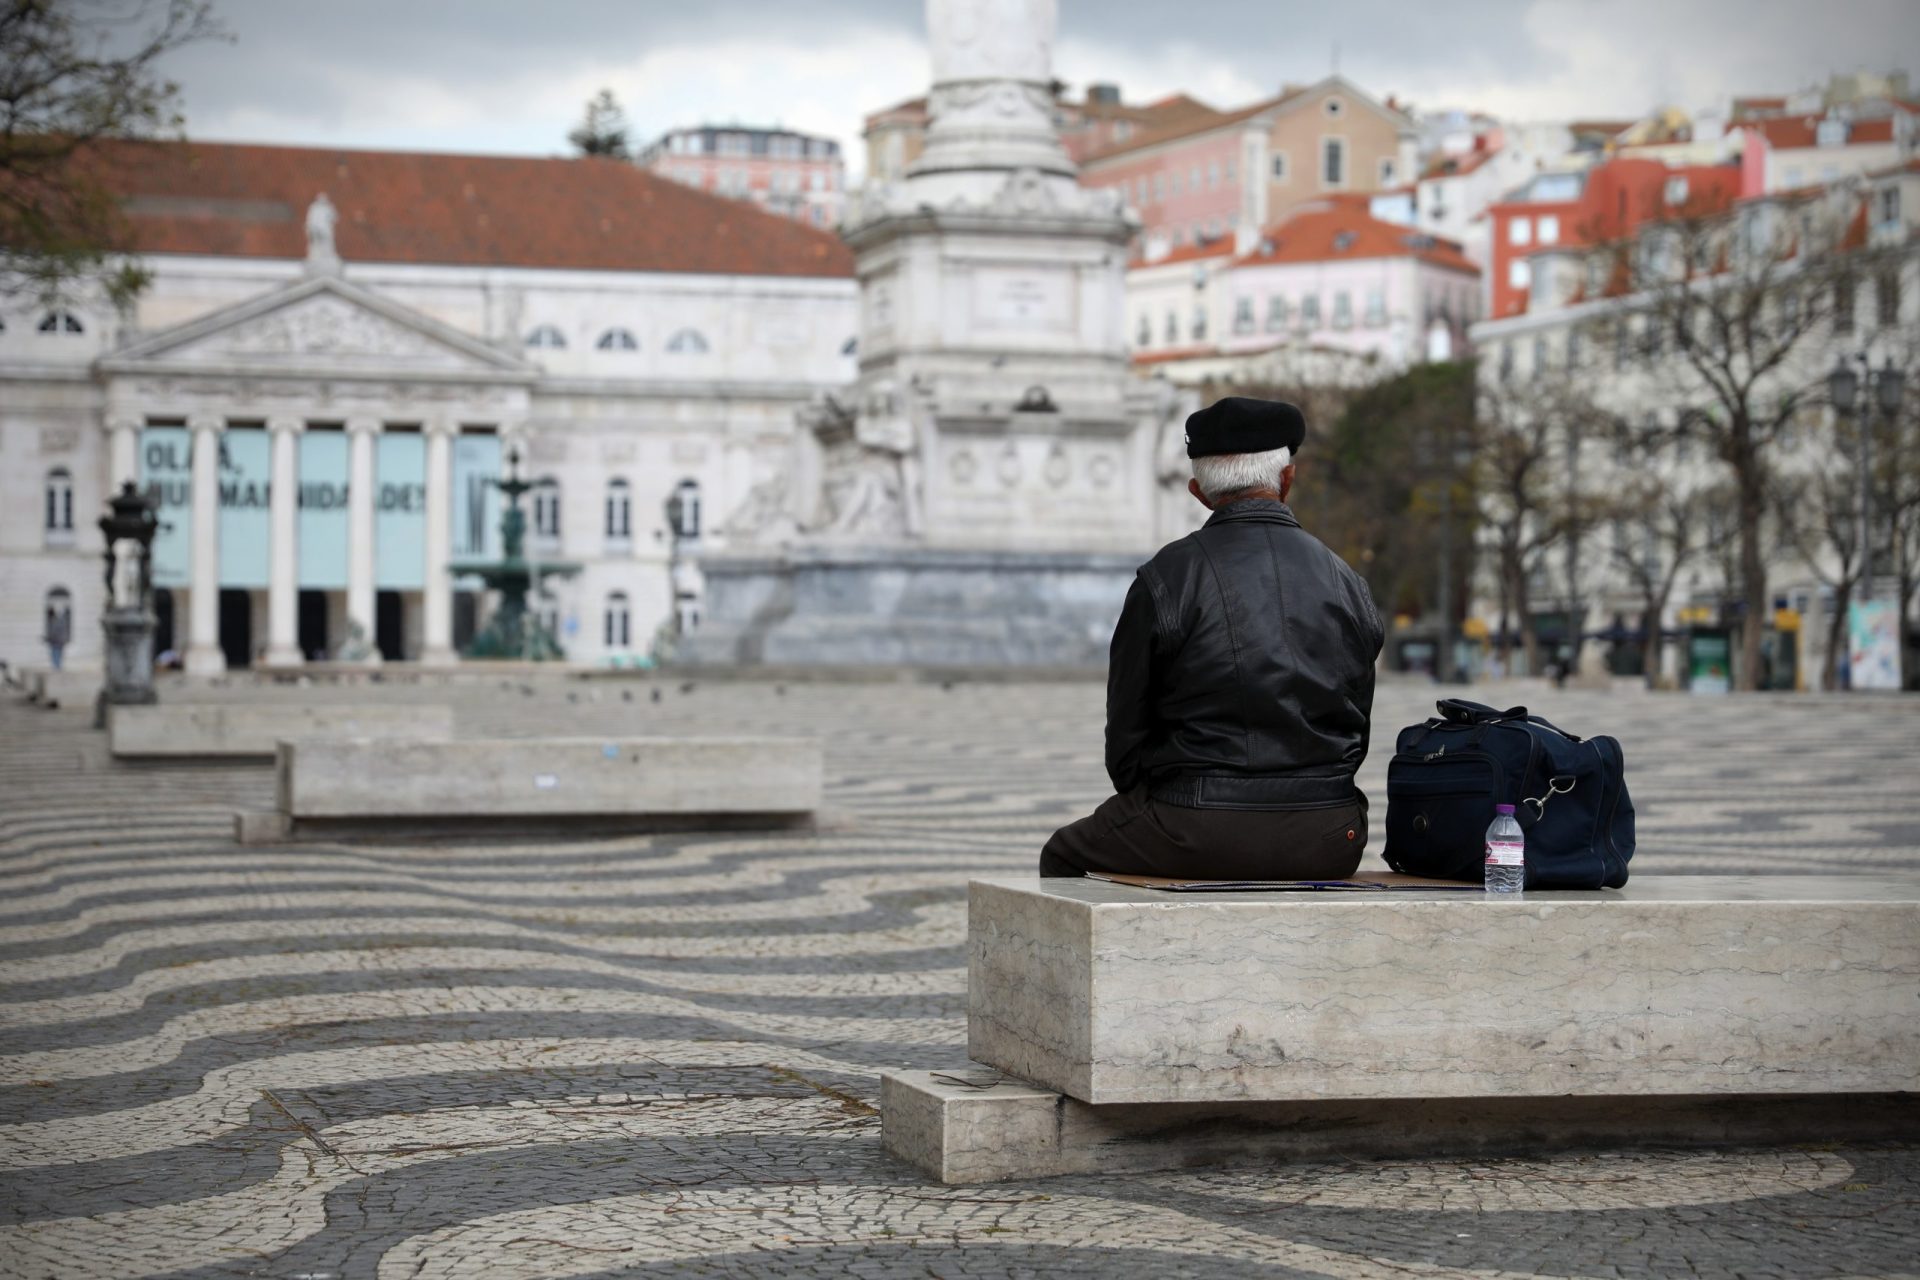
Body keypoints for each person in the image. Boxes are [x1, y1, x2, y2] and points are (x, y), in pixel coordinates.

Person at [1041, 397, 1384, 880]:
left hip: (1193, 824)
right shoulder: (1347, 580)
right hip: (1328, 835)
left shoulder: (1165, 577)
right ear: (1286, 480)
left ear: (1198, 491)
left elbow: (1126, 735)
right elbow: (1357, 726)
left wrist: (1164, 803)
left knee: (1063, 854)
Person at [43, 605, 71, 671]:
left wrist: (48, 638)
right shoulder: (58, 620)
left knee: (56, 654)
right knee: (57, 654)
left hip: (56, 641)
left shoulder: (54, 621)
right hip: (59, 641)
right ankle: (57, 666)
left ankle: (57, 667)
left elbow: (53, 632)